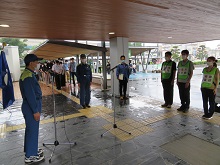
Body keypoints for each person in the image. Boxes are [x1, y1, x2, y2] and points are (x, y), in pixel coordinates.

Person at [19, 54, 44, 163]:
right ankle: (30, 156)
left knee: (30, 129)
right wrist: (35, 110)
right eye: (36, 61)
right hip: (31, 106)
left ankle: (30, 150)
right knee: (33, 130)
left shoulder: (28, 74)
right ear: (31, 63)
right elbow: (30, 95)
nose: (38, 63)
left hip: (30, 105)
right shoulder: (28, 76)